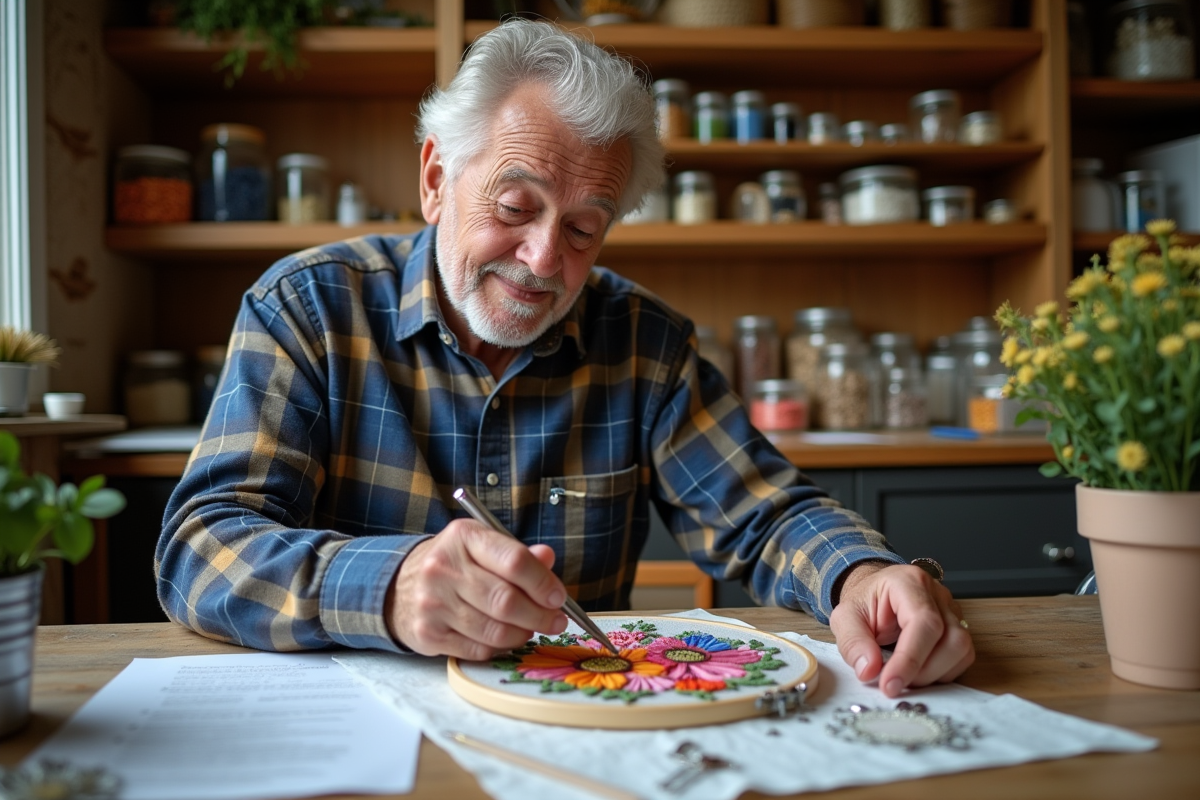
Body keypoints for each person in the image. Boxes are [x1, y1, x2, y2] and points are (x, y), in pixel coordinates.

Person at [156, 19, 973, 697]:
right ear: (437, 178)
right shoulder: (308, 308)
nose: (545, 260)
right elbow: (198, 547)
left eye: (584, 229)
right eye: (515, 207)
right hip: (349, 722)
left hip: (578, 720)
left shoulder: (646, 343)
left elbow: (764, 514)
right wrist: (387, 587)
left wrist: (859, 575)